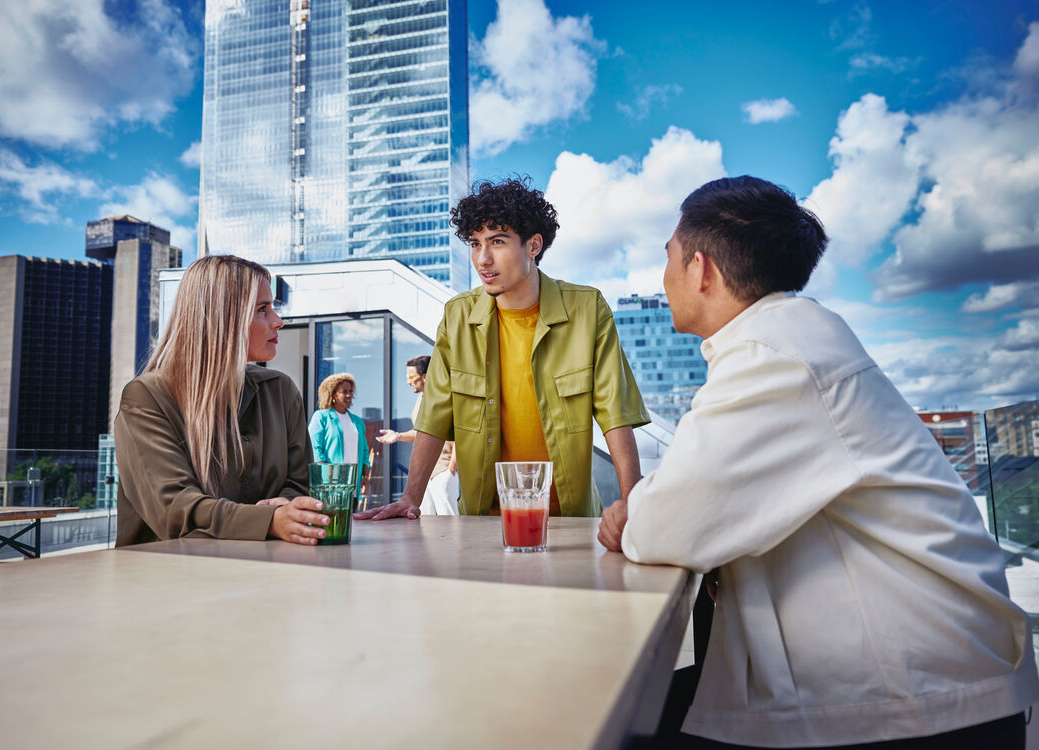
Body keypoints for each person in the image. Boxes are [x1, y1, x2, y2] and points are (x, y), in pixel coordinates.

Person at [599, 176, 1039, 748]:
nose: (663, 277)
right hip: (901, 681)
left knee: (606, 724)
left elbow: (667, 525)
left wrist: (636, 513)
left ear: (701, 269)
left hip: (917, 701)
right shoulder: (786, 338)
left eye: (669, 258)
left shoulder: (774, 355)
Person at [357, 177, 649, 521]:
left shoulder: (587, 309)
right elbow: (435, 416)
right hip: (482, 521)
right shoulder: (457, 316)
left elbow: (616, 415)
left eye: (497, 241)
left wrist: (632, 502)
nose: (483, 259)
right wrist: (411, 497)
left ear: (533, 245)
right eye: (475, 243)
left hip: (571, 520)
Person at [114, 255, 333, 547]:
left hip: (268, 572)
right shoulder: (146, 398)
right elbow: (174, 511)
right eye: (262, 309)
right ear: (222, 318)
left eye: (274, 308)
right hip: (166, 578)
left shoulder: (281, 391)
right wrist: (270, 521)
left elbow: (300, 484)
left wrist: (288, 504)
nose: (278, 321)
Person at [376, 355, 458, 515]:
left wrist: (451, 468)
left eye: (411, 377)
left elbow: (458, 433)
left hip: (443, 471)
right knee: (425, 523)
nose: (408, 381)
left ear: (425, 377)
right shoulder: (421, 399)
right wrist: (398, 436)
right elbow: (423, 433)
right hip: (425, 475)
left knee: (450, 521)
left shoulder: (445, 398)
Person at [308, 373, 371, 498]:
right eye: (344, 392)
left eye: (350, 391)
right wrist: (325, 474)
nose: (349, 395)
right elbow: (314, 447)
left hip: (353, 484)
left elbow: (364, 450)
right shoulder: (321, 417)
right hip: (328, 485)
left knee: (350, 516)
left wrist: (365, 476)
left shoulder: (357, 421)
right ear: (333, 395)